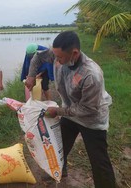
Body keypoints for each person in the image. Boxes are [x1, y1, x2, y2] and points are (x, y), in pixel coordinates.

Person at [25, 31, 116, 188]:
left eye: (59, 58)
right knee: (60, 146)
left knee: (99, 160)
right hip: (70, 112)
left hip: (92, 119)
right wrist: (31, 75)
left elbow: (87, 109)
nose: (56, 60)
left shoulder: (91, 75)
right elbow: (38, 57)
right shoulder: (58, 54)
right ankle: (60, 170)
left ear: (74, 53)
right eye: (55, 57)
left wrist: (57, 111)